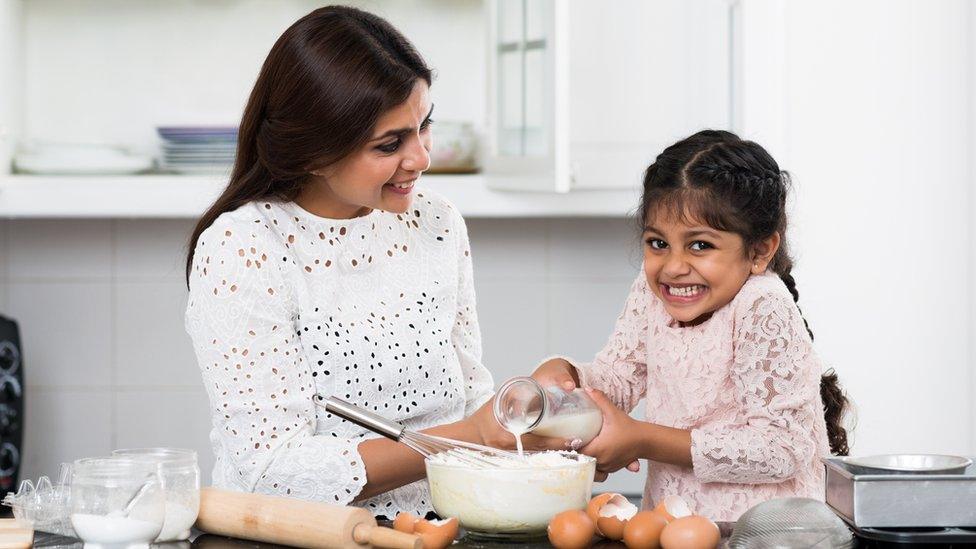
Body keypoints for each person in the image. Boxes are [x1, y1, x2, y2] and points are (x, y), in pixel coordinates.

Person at [184, 5, 559, 518]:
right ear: (314, 152)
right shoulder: (244, 247)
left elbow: (471, 397)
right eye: (390, 144)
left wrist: (533, 435)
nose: (422, 158)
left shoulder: (437, 222)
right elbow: (271, 471)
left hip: (442, 527)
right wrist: (467, 438)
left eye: (424, 125)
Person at [533, 130, 851, 521]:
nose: (673, 267)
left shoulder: (761, 305)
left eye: (700, 245)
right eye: (657, 243)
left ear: (759, 250)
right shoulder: (651, 293)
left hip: (766, 532)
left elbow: (781, 448)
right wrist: (568, 379)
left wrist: (642, 439)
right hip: (674, 523)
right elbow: (618, 378)